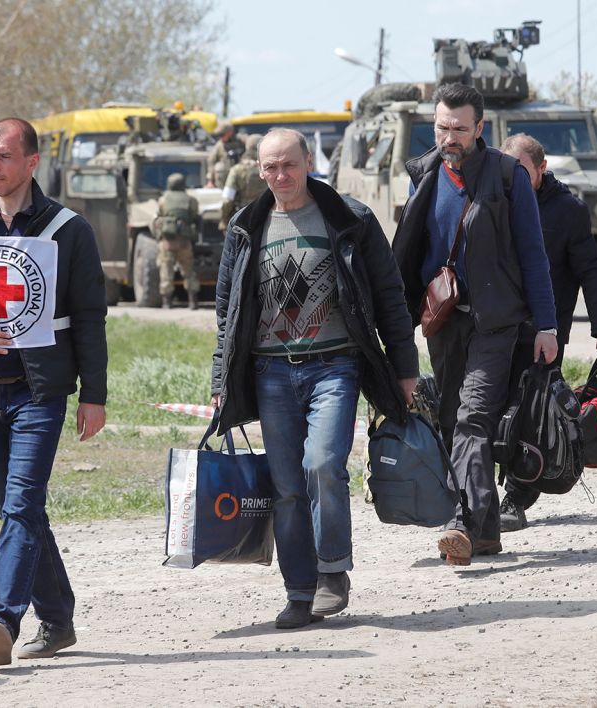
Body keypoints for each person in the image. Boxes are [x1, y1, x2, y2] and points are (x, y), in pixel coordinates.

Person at [210, 128, 418, 629]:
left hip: (336, 365)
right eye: (270, 168)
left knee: (323, 465)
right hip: (271, 371)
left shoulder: (349, 219)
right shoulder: (245, 227)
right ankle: (299, 592)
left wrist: (405, 365)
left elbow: (389, 296)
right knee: (285, 486)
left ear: (309, 163)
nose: (280, 176)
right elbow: (227, 311)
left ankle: (332, 573)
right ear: (260, 171)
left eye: (289, 165)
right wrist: (221, 379)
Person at [0, 117, 108, 665]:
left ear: (32, 162)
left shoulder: (67, 229)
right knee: (17, 508)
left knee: (22, 504)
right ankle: (57, 621)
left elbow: (89, 318)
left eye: (4, 156)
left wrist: (94, 395)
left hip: (41, 391)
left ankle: (1, 617)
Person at [392, 83, 558, 566]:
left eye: (460, 129)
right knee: (450, 420)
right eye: (442, 127)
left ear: (480, 128)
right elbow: (410, 252)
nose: (450, 137)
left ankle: (461, 520)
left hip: (496, 322)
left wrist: (546, 325)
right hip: (443, 321)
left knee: (473, 417)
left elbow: (534, 255)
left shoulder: (507, 177)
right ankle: (485, 534)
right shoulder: (422, 174)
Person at [498, 133, 597, 532]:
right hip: (495, 329)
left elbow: (590, 271)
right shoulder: (492, 201)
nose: (513, 179)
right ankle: (475, 495)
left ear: (541, 169)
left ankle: (516, 497)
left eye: (522, 171)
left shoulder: (568, 211)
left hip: (544, 334)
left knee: (532, 415)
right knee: (490, 412)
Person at [155, 172, 200, 310]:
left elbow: (158, 218)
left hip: (167, 241)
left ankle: (167, 303)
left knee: (166, 271)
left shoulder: (163, 199)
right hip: (184, 241)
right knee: (189, 271)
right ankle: (192, 302)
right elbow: (195, 217)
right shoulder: (190, 200)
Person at [220, 134, 268, 231]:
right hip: (268, 216)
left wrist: (224, 220)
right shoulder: (270, 169)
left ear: (247, 146)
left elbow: (227, 200)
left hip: (244, 218)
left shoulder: (237, 170)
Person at [207, 120, 245, 188]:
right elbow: (211, 161)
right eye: (219, 135)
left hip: (241, 178)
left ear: (229, 132)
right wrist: (210, 180)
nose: (220, 137)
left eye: (222, 135)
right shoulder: (219, 145)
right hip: (225, 180)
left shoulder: (241, 141)